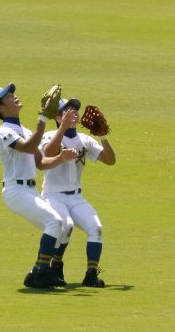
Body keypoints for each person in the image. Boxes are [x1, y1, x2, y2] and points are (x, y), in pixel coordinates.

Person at [0, 82, 72, 289]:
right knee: (54, 221)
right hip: (16, 191)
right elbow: (28, 146)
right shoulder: (4, 131)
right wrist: (42, 120)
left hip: (29, 190)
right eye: (8, 96)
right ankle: (43, 272)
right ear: (0, 108)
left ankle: (35, 273)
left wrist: (61, 158)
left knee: (63, 228)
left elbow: (40, 163)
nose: (14, 96)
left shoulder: (22, 129)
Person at [40, 98, 116, 287]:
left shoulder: (84, 140)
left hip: (76, 197)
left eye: (75, 109)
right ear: (58, 116)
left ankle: (91, 275)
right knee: (66, 226)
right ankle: (56, 265)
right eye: (67, 110)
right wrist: (62, 128)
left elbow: (110, 160)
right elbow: (49, 154)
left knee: (96, 228)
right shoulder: (50, 135)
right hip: (53, 195)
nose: (74, 112)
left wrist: (103, 136)